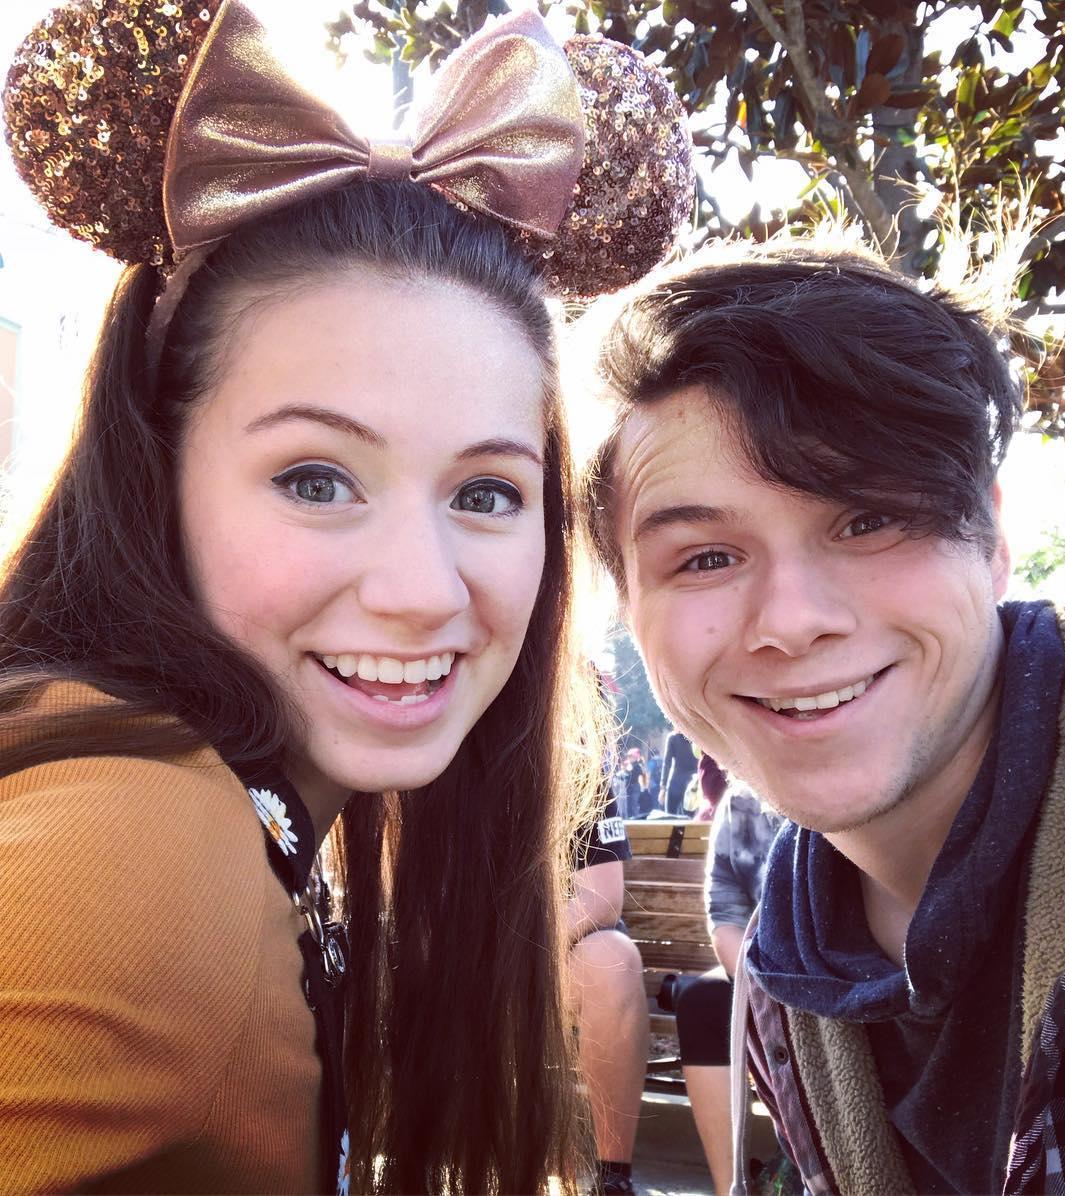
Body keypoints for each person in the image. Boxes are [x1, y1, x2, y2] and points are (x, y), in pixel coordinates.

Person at [0, 2, 694, 1191]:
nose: (421, 591)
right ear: (153, 471)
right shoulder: (134, 855)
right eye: (316, 479)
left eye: (485, 491)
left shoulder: (220, 806)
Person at [583, 243, 1065, 1195]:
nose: (792, 620)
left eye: (865, 519)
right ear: (630, 613)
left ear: (991, 537)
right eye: (706, 558)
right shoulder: (790, 977)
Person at [672, 771, 780, 1192]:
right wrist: (765, 991)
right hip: (763, 972)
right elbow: (725, 911)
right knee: (701, 1001)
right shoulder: (740, 801)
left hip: (851, 972)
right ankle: (731, 1186)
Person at [567, 790, 649, 1195]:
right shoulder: (428, 762)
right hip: (454, 955)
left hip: (553, 950)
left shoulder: (580, 770)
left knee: (613, 960)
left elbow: (600, 900)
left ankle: (612, 1178)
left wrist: (511, 953)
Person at [659, 728, 696, 816]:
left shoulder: (673, 737)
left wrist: (663, 787)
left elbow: (667, 763)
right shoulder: (697, 739)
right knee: (690, 817)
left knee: (670, 816)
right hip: (692, 782)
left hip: (675, 781)